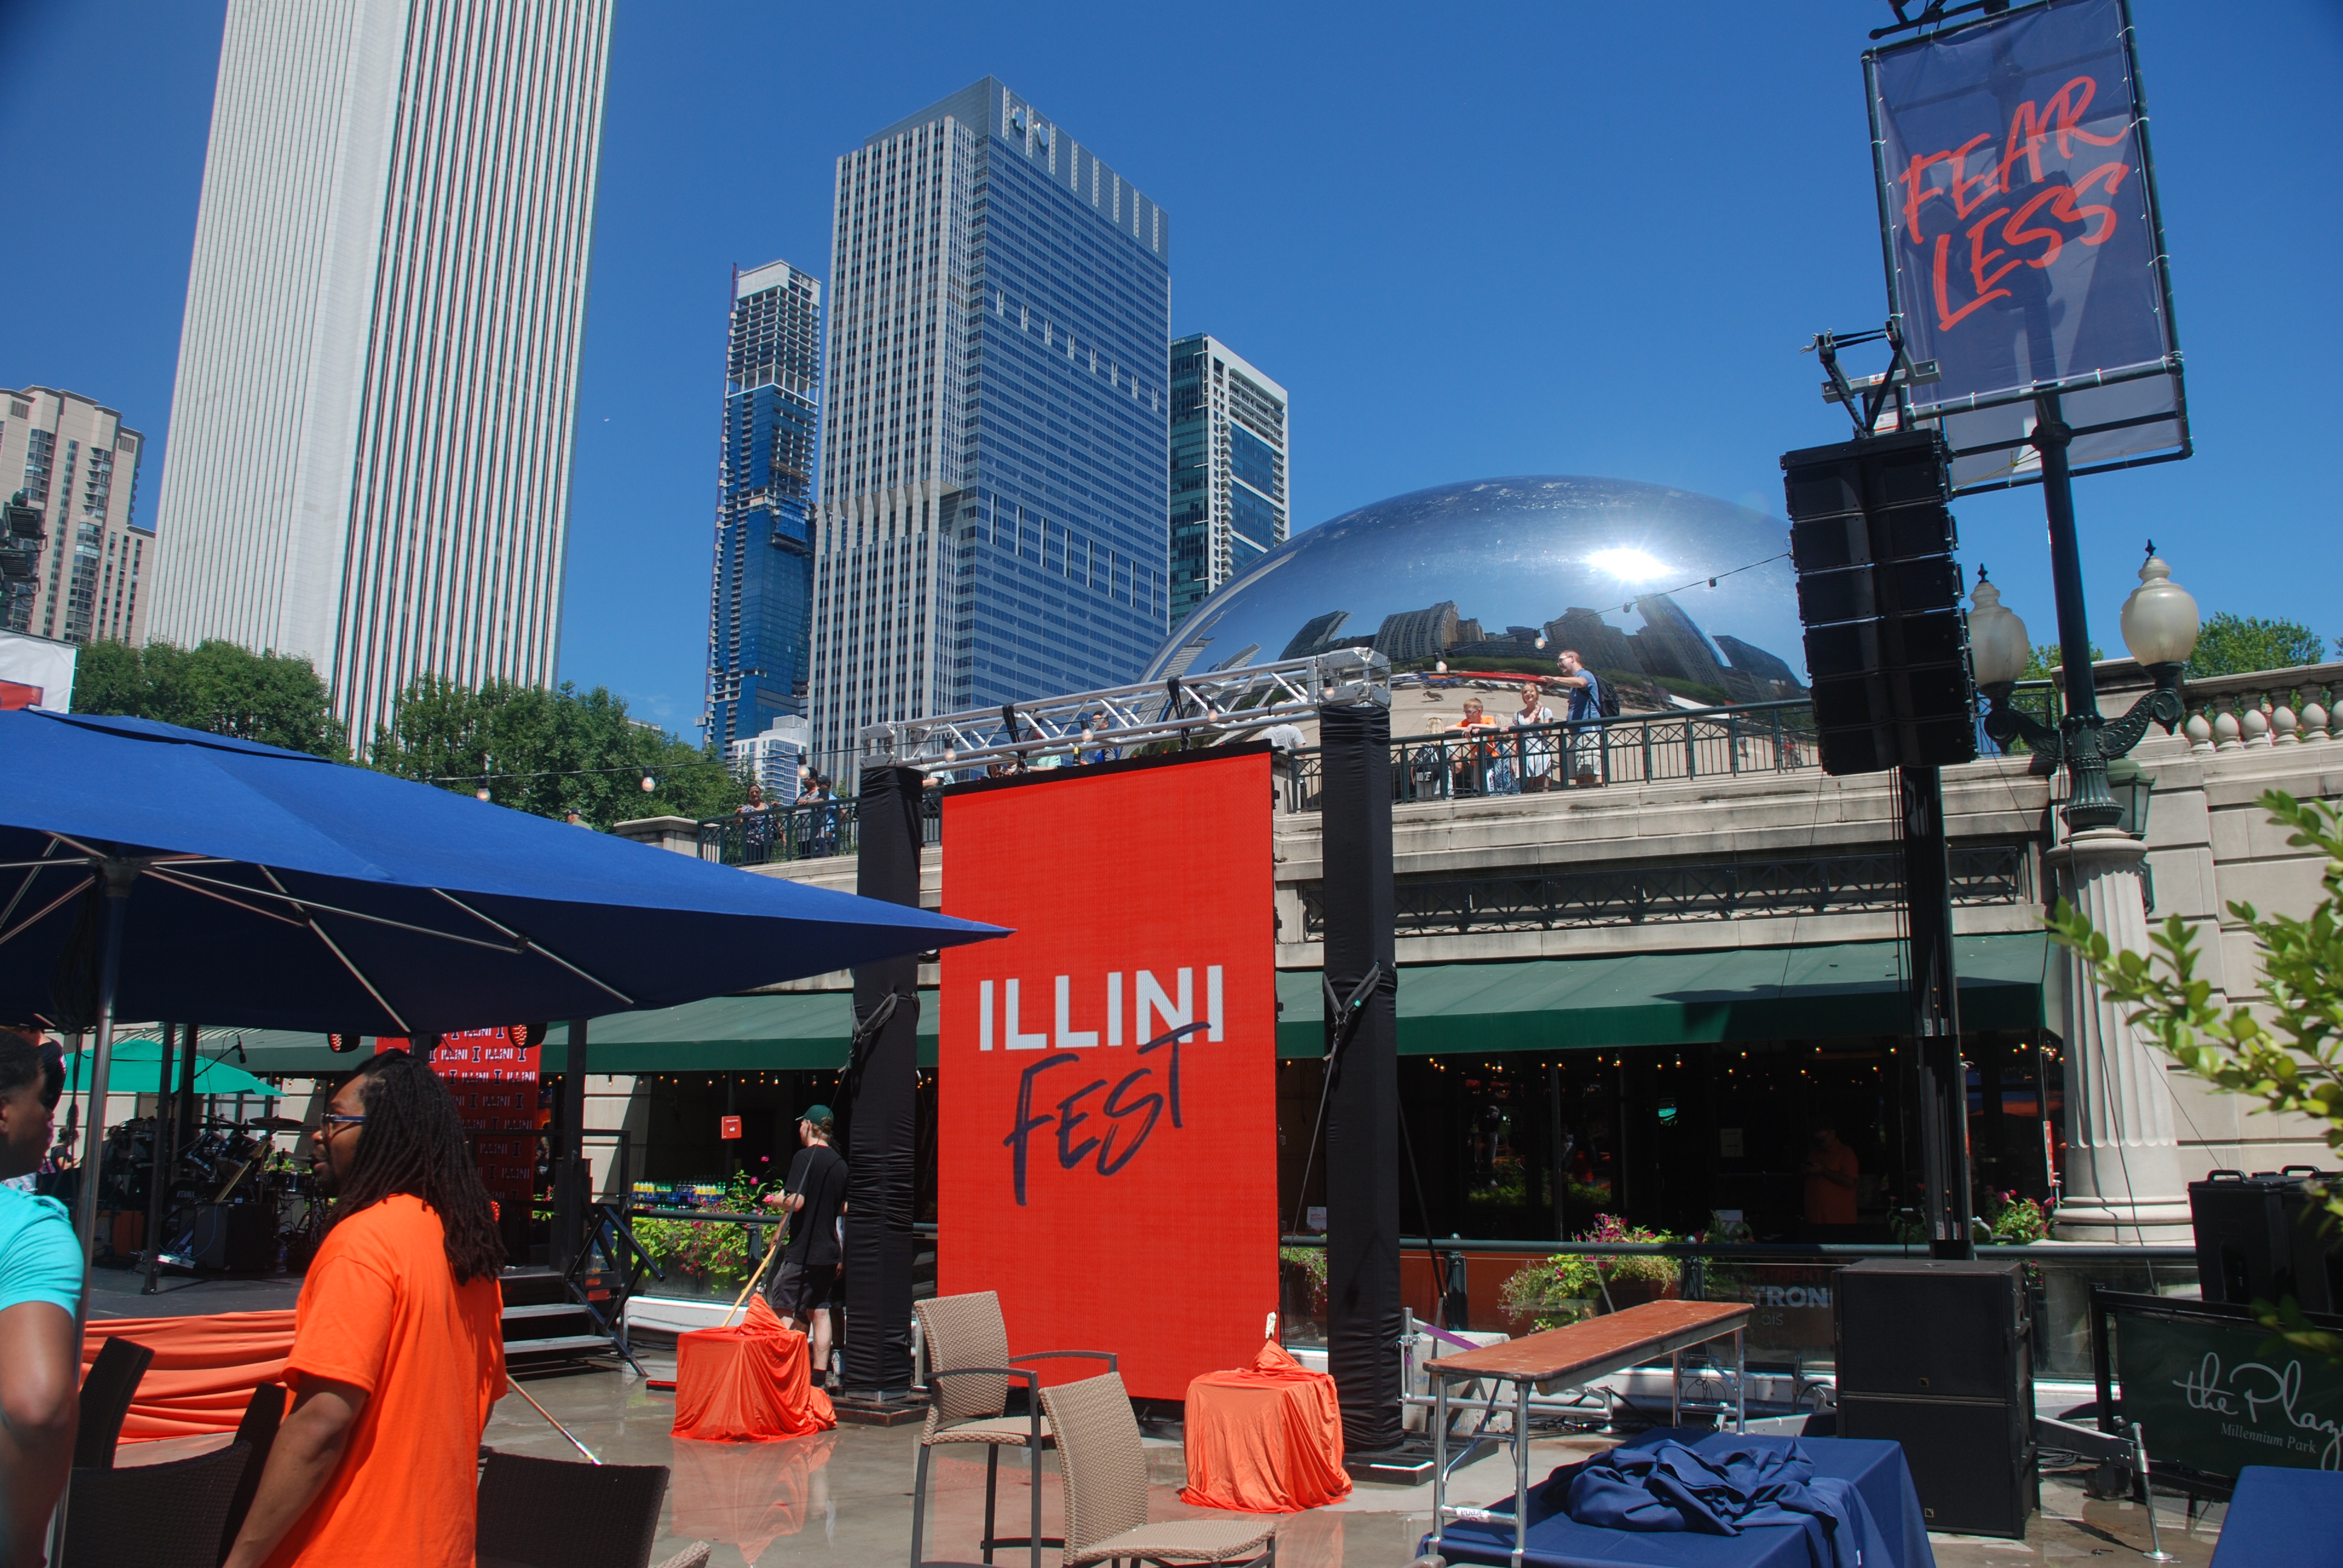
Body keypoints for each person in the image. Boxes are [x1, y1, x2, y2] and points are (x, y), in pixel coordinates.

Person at [223, 1051, 506, 1568]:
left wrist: (240, 1559)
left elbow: (321, 1423)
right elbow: (479, 1404)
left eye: (333, 1119)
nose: (316, 1133)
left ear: (385, 1132)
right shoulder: (465, 1247)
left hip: (347, 1547)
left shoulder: (363, 1242)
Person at [0, 1027, 76, 1568]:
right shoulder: (31, 1230)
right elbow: (37, 1407)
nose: (51, 1119)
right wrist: (23, 1552)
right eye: (42, 1102)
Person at [762, 1105, 847, 1388]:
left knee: (784, 1310)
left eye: (801, 1125)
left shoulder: (804, 1158)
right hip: (828, 1251)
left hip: (803, 1250)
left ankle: (778, 1378)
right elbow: (843, 1207)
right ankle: (818, 1381)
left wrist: (777, 1199)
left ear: (809, 1126)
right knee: (820, 1312)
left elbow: (796, 1202)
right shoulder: (839, 1164)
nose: (799, 1129)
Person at [1553, 650, 1604, 786]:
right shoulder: (1573, 684)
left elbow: (1582, 683)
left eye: (1561, 660)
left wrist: (1556, 679)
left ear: (1572, 659)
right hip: (1577, 734)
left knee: (1591, 773)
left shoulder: (1584, 674)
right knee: (1580, 776)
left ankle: (1601, 803)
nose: (1559, 664)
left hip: (1587, 732)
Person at [1801, 1125, 1860, 1229]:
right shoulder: (1815, 1154)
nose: (1821, 1143)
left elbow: (1850, 1181)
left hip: (1838, 1219)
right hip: (1815, 1217)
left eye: (1823, 1140)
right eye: (1817, 1141)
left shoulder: (1846, 1153)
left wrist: (1823, 1171)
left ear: (1832, 1133)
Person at [1510, 683, 1556, 791]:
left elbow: (1548, 734)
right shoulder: (1518, 715)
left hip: (1540, 751)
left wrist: (1539, 720)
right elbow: (1515, 739)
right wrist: (1512, 761)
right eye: (1525, 692)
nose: (1528, 694)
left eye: (1531, 691)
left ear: (1537, 694)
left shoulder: (1545, 712)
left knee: (1542, 787)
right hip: (1524, 752)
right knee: (1527, 789)